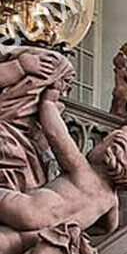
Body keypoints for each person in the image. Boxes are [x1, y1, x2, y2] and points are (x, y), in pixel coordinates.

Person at [0, 87, 127, 254]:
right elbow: (107, 229)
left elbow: (56, 134)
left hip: (31, 208)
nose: (97, 143)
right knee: (9, 243)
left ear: (110, 153)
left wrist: (48, 103)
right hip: (46, 235)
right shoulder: (111, 203)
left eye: (103, 141)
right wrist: (75, 223)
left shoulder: (83, 171)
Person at [0, 47, 75, 191]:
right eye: (64, 82)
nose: (62, 91)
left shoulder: (49, 107)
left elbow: (46, 139)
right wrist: (20, 66)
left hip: (23, 143)